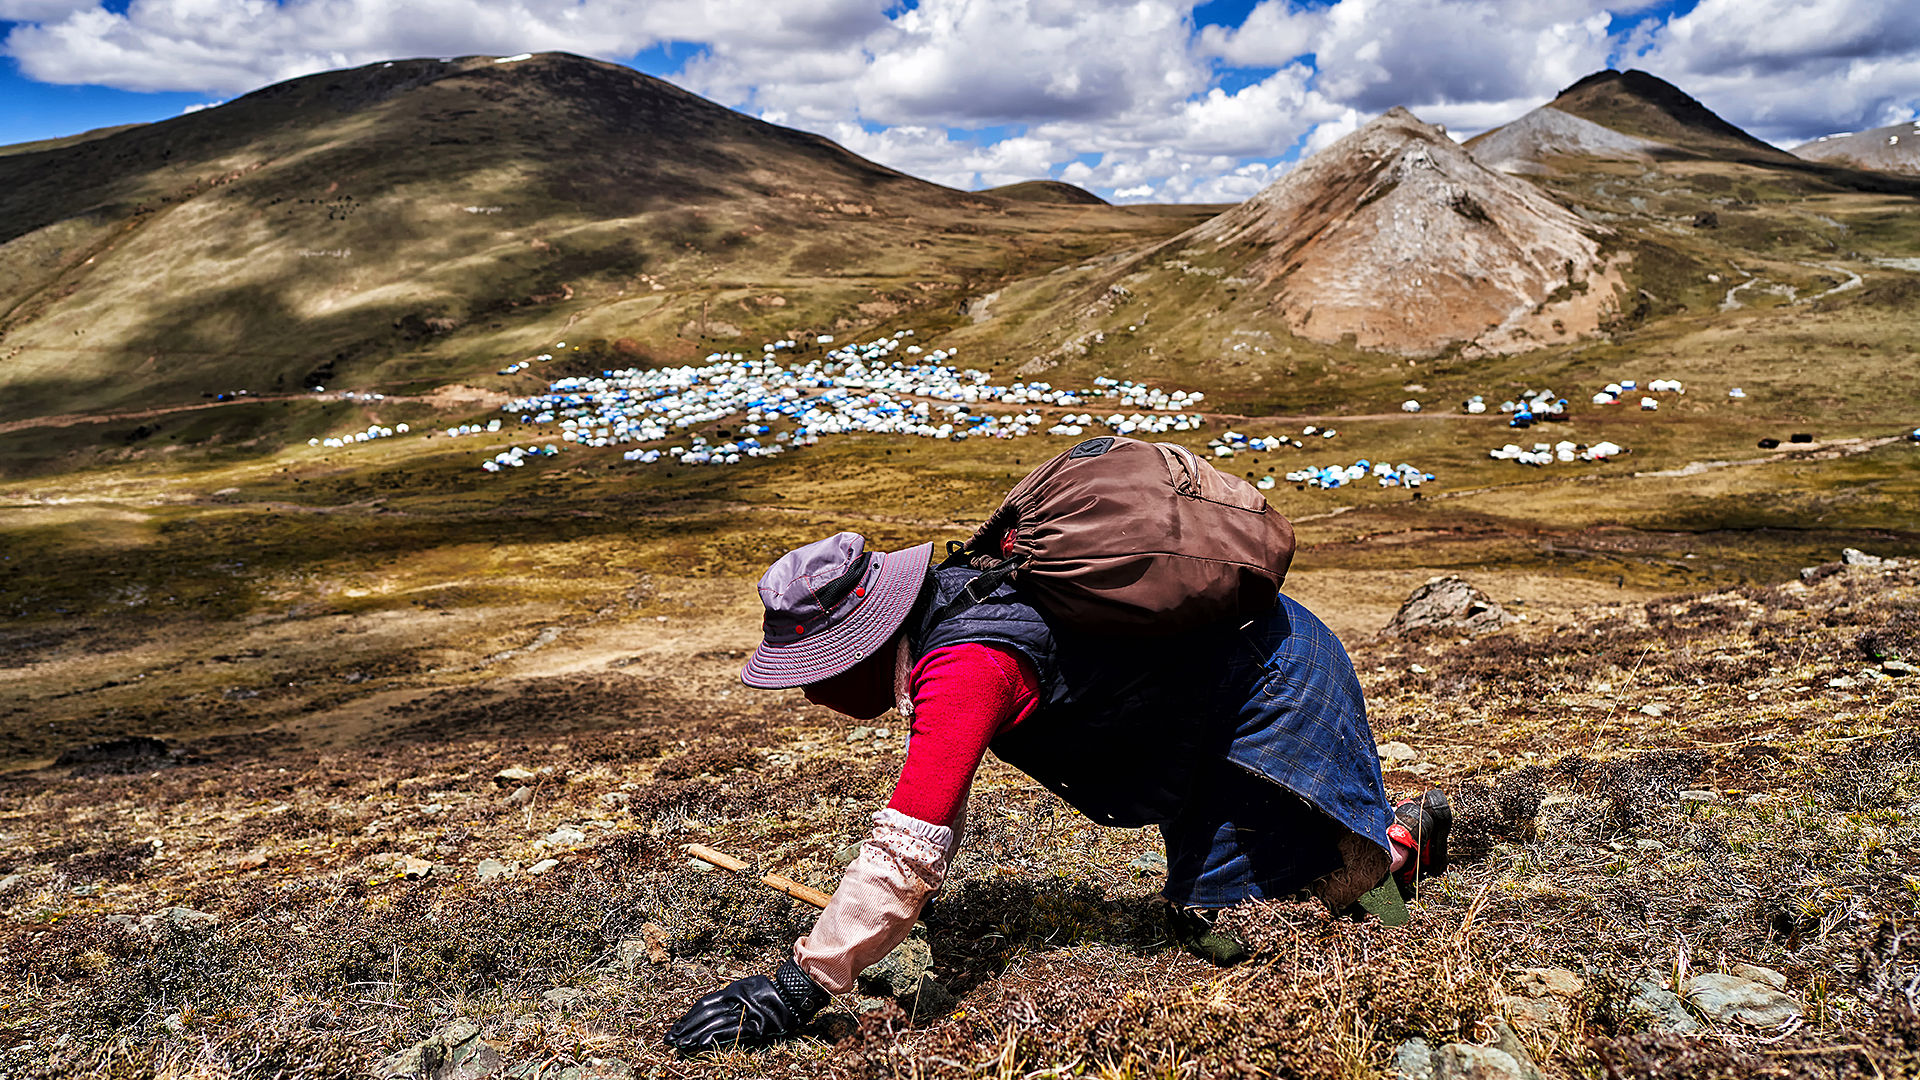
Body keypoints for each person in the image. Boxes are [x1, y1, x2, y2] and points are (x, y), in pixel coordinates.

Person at [665, 532, 1451, 1053]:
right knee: (1199, 919)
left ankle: (1391, 852)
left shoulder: (966, 665)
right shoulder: (956, 600)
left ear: (860, 649)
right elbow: (936, 819)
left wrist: (803, 983)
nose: (812, 694)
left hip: (1270, 686)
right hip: (1217, 697)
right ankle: (1369, 851)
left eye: (817, 673)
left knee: (1235, 941)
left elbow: (910, 840)